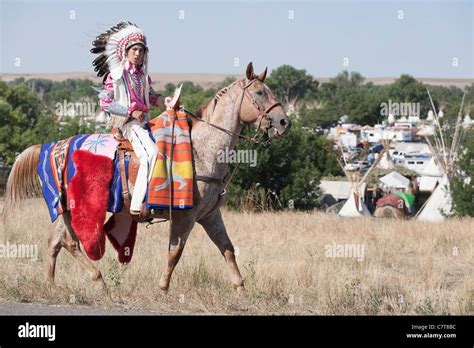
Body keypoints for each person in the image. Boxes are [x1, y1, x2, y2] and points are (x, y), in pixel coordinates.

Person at [91, 22, 165, 215]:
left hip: (144, 123)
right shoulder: (116, 76)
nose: (137, 53)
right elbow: (105, 103)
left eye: (141, 50)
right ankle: (137, 203)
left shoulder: (143, 76)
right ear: (126, 51)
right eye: (134, 49)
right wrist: (130, 112)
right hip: (129, 125)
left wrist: (168, 101)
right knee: (151, 153)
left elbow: (153, 97)